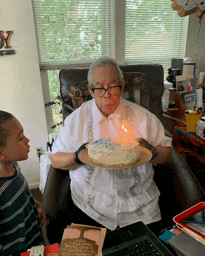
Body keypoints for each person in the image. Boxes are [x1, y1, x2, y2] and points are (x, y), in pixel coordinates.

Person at [50, 57, 172, 244]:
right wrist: (79, 156)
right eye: (99, 87)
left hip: (139, 207)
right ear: (90, 90)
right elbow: (56, 159)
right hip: (89, 206)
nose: (106, 94)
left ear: (122, 86)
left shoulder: (144, 118)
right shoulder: (76, 120)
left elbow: (167, 154)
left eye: (113, 86)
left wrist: (152, 152)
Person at [0, 110, 47, 256]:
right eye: (20, 138)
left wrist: (36, 205)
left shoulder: (14, 167)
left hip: (34, 251)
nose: (27, 141)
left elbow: (19, 195)